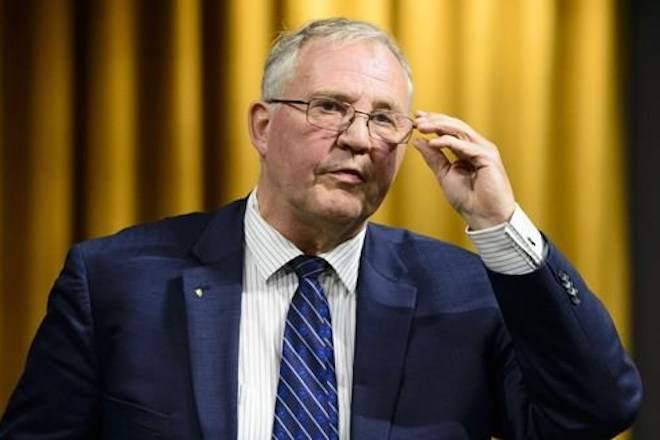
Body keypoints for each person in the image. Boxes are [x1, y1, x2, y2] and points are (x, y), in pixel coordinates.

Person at [0, 17, 641, 440]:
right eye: (329, 107)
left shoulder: (465, 292)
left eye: (386, 119)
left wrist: (499, 224)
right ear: (262, 125)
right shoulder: (116, 280)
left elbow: (594, 412)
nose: (359, 139)